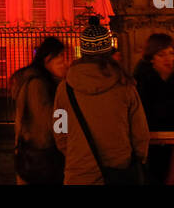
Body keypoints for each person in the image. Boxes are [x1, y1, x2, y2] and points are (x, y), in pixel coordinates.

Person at [52, 17, 149, 185]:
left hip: (79, 173)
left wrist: (77, 154)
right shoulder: (125, 85)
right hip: (119, 171)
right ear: (109, 51)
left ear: (82, 51)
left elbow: (59, 129)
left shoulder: (65, 88)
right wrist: (136, 158)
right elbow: (140, 131)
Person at [132, 33, 174, 184]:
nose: (168, 58)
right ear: (151, 58)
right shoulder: (140, 84)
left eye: (171, 53)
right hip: (151, 149)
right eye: (161, 54)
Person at [9, 37, 68, 185]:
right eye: (60, 61)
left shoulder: (40, 81)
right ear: (48, 60)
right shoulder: (38, 84)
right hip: (42, 154)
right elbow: (50, 121)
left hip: (36, 152)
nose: (65, 65)